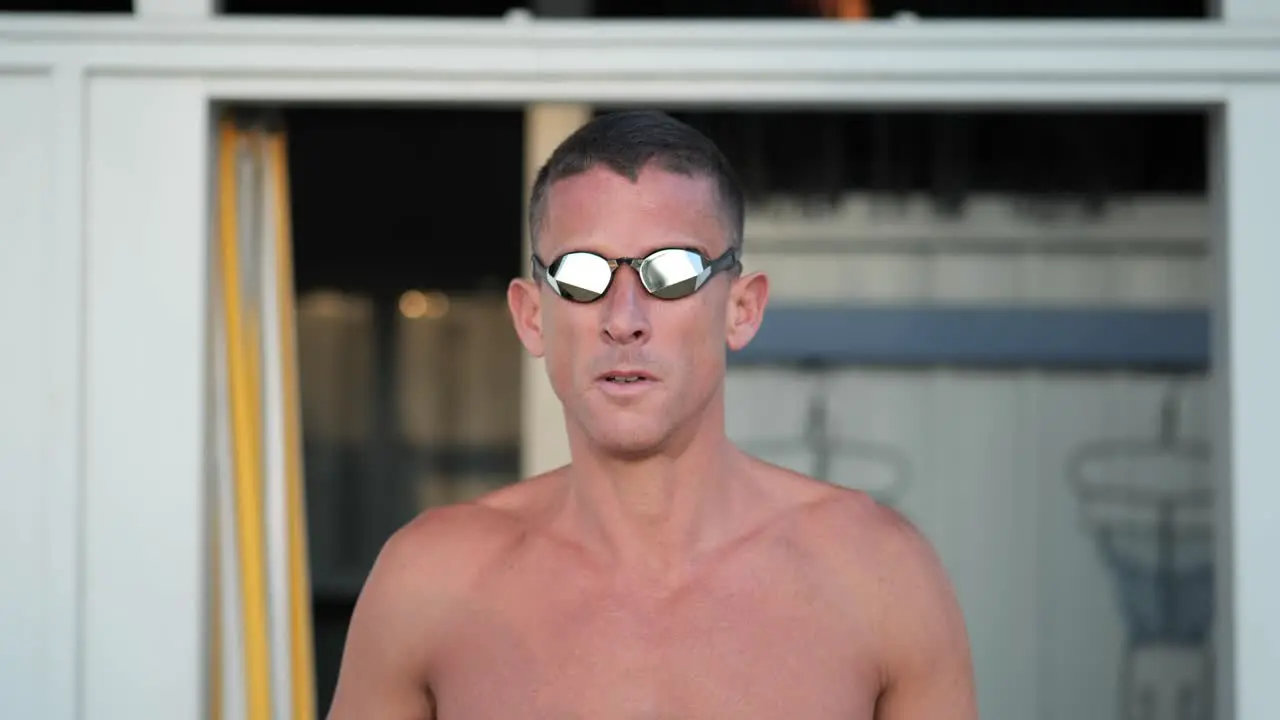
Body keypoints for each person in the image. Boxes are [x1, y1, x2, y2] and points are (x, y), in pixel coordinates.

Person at [325, 110, 978, 719]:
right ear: (531, 316)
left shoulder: (878, 576)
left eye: (672, 272)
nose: (624, 319)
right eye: (582, 275)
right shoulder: (430, 585)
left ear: (741, 308)